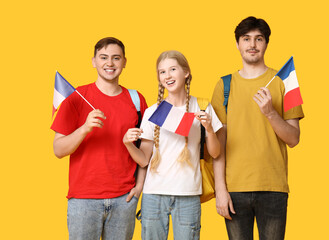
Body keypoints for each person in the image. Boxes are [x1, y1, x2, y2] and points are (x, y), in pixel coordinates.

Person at [211, 16, 305, 240]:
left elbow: (293, 139)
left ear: (266, 43)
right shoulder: (223, 85)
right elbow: (217, 147)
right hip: (234, 188)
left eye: (258, 39)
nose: (252, 45)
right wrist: (220, 190)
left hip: (273, 187)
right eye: (246, 39)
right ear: (238, 44)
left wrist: (271, 113)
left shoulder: (285, 82)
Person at [51, 37, 148, 240]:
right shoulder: (76, 98)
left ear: (124, 62)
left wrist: (139, 188)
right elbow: (58, 150)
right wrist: (84, 128)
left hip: (124, 199)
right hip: (83, 200)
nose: (109, 63)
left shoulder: (137, 100)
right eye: (103, 57)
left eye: (116, 58)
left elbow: (146, 151)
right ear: (94, 61)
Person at [123, 50, 223, 240]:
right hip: (154, 195)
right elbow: (144, 160)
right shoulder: (153, 112)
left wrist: (209, 129)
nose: (167, 75)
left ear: (185, 72)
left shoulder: (202, 107)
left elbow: (216, 153)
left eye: (172, 69)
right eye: (162, 72)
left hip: (188, 194)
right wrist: (128, 144)